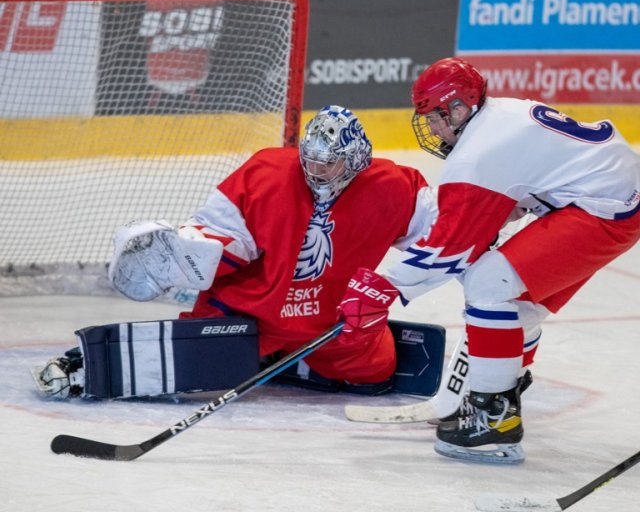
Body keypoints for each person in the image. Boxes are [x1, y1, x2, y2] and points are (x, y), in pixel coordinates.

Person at [338, 58, 640, 464]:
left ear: (459, 108)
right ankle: (502, 389)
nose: (430, 128)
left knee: (488, 282)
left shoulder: (478, 153)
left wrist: (385, 285)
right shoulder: (498, 117)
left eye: (435, 117)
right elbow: (521, 187)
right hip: (611, 197)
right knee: (521, 308)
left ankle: (492, 418)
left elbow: (449, 247)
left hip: (603, 208)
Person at [32, 105, 438, 400]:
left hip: (333, 319)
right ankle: (85, 365)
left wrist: (389, 285)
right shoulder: (267, 174)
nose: (316, 173)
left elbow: (443, 237)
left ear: (356, 161)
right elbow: (224, 236)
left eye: (328, 165)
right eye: (311, 161)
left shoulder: (393, 186)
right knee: (190, 361)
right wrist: (187, 254)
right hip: (250, 314)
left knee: (375, 377)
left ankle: (289, 359)